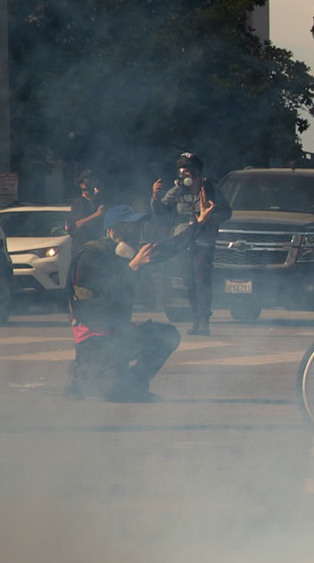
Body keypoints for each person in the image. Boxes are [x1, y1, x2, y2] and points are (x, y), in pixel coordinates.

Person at [66, 205, 182, 402]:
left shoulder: (125, 254)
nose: (137, 231)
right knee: (114, 392)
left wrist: (201, 224)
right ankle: (84, 375)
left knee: (167, 335)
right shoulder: (91, 255)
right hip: (95, 342)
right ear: (112, 230)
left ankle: (133, 385)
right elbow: (108, 289)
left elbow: (169, 249)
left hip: (118, 336)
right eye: (131, 226)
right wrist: (133, 267)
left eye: (138, 226)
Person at [152, 152, 231, 335]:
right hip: (183, 240)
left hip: (204, 240)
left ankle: (204, 320)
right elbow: (161, 211)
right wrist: (155, 196)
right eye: (183, 172)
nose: (185, 177)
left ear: (197, 173)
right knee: (188, 280)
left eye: (189, 173)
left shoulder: (210, 190)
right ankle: (195, 318)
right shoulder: (178, 190)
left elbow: (227, 212)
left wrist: (211, 218)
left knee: (201, 280)